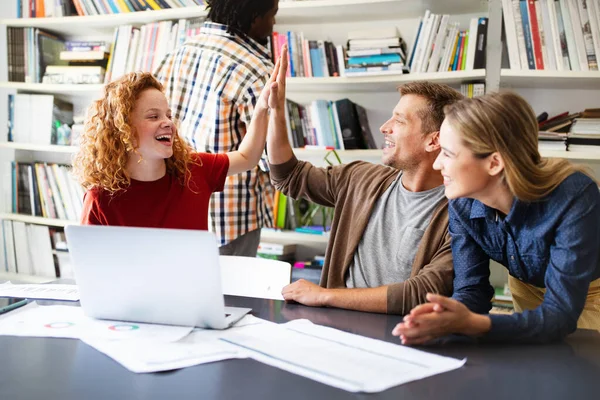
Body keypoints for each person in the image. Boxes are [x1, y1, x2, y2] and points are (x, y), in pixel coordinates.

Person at [393, 91, 600, 344]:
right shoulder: (462, 202)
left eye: (447, 153)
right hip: (527, 288)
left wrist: (473, 324)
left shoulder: (575, 196)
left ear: (494, 163)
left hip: (589, 295)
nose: (437, 165)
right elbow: (471, 290)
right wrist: (447, 319)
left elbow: (560, 315)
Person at [268, 82, 464, 315]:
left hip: (402, 336)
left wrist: (325, 295)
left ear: (434, 141)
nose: (384, 127)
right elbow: (288, 176)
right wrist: (276, 112)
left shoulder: (461, 214)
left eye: (399, 121)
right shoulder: (360, 178)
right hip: (335, 327)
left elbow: (423, 292)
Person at [74, 48, 287, 228]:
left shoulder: (195, 169)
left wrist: (261, 107)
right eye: (153, 116)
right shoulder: (100, 199)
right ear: (123, 129)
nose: (168, 122)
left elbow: (247, 156)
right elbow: (92, 268)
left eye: (168, 115)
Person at [154, 0, 280, 256]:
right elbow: (272, 156)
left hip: (175, 210)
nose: (274, 23)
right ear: (254, 16)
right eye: (272, 15)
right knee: (231, 296)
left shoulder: (174, 56)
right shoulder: (257, 70)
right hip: (230, 218)